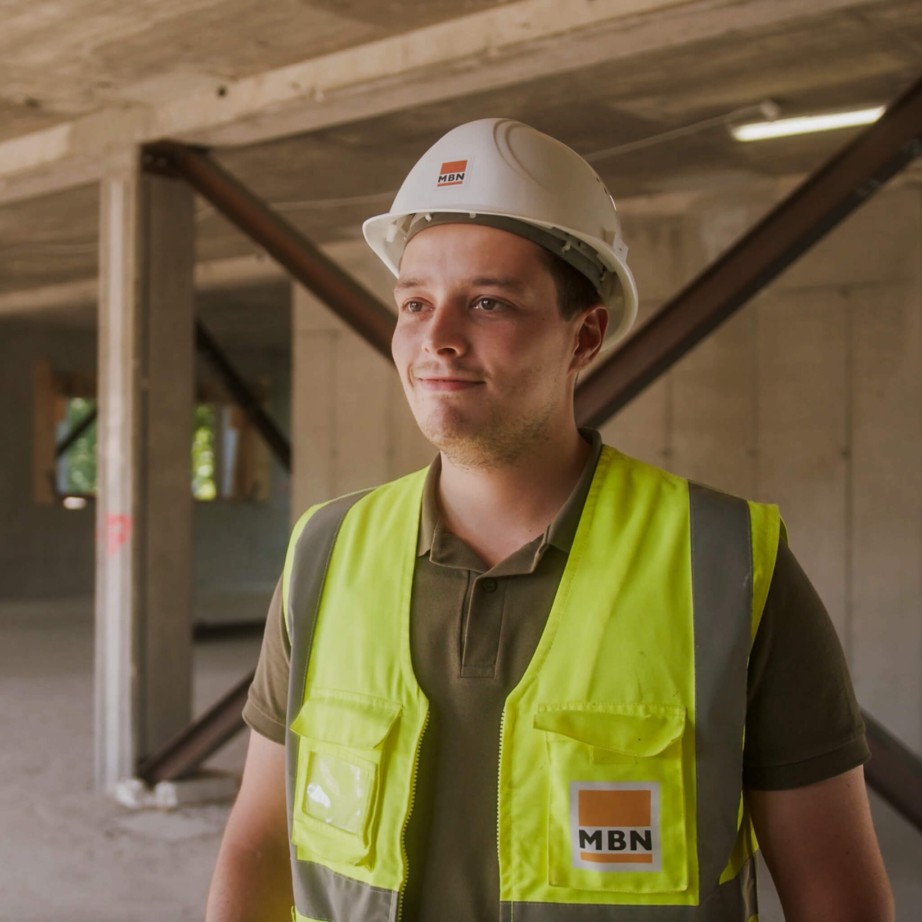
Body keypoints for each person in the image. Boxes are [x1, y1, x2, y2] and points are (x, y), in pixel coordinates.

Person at [206, 118, 893, 922]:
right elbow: (258, 843)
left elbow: (837, 897)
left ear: (585, 335)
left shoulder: (727, 563)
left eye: (488, 303)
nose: (438, 339)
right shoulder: (327, 552)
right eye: (415, 303)